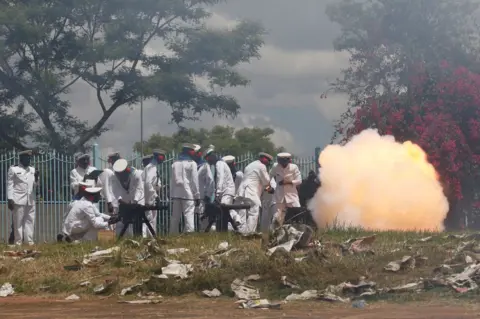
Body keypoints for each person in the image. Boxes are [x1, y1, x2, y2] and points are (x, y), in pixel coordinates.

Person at [7, 150, 39, 246]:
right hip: (18, 199)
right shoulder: (14, 169)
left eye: (30, 158)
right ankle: (18, 242)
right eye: (27, 157)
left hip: (30, 199)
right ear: (21, 158)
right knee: (18, 222)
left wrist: (37, 178)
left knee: (30, 220)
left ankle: (29, 241)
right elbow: (10, 184)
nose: (29, 159)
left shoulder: (33, 170)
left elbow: (36, 185)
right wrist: (10, 198)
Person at [236, 152, 273, 233]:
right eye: (268, 161)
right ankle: (250, 233)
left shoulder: (250, 165)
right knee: (254, 210)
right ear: (264, 159)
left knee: (242, 212)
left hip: (242, 190)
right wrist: (270, 189)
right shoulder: (261, 166)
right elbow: (266, 181)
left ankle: (241, 231)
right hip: (250, 191)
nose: (268, 163)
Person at [203, 148, 238, 230]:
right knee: (222, 211)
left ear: (212, 157)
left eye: (208, 159)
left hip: (227, 190)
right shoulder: (218, 164)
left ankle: (226, 229)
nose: (208, 161)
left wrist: (218, 192)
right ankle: (224, 229)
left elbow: (220, 178)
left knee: (223, 209)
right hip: (224, 191)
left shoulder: (219, 164)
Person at [169, 143, 200, 234]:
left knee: (175, 216)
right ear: (189, 152)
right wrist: (197, 195)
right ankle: (190, 234)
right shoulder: (192, 164)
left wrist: (171, 193)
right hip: (188, 194)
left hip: (176, 194)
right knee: (189, 214)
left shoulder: (174, 164)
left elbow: (172, 180)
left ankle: (172, 234)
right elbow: (194, 181)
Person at [110, 158, 144, 237]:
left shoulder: (136, 174)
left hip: (137, 200)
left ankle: (139, 239)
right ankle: (121, 240)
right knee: (121, 222)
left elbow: (139, 189)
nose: (121, 177)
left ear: (127, 170)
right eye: (119, 175)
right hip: (123, 202)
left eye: (122, 174)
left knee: (138, 222)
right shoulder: (115, 176)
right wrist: (121, 201)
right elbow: (115, 191)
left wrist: (135, 201)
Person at [270, 152, 302, 228]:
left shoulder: (294, 167)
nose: (283, 165)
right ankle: (275, 233)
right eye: (281, 163)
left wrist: (288, 182)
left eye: (284, 163)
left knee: (296, 214)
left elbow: (299, 181)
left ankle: (297, 231)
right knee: (277, 217)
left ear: (288, 161)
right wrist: (269, 189)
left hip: (291, 195)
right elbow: (268, 178)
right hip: (279, 196)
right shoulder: (275, 166)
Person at [142, 149, 166, 238]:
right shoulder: (152, 168)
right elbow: (148, 183)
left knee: (151, 219)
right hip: (149, 196)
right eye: (162, 158)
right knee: (148, 219)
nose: (163, 160)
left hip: (149, 195)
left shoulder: (151, 167)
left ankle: (152, 238)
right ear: (159, 158)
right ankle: (147, 238)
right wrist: (155, 196)